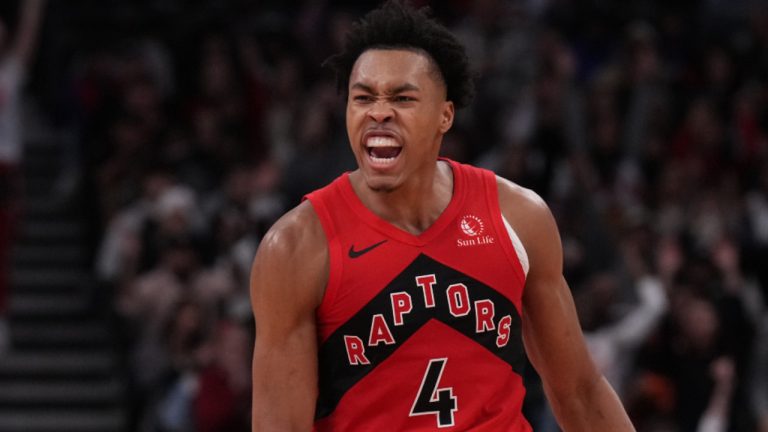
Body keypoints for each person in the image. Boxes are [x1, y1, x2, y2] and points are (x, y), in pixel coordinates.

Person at [250, 1, 635, 430]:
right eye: (363, 98)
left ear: (444, 116)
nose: (379, 112)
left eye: (402, 97)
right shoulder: (297, 247)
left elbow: (579, 391)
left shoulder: (518, 217)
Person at [0, 0, 46, 354]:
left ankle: (1, 318)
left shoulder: (11, 73)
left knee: (3, 246)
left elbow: (28, 36)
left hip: (7, 167)